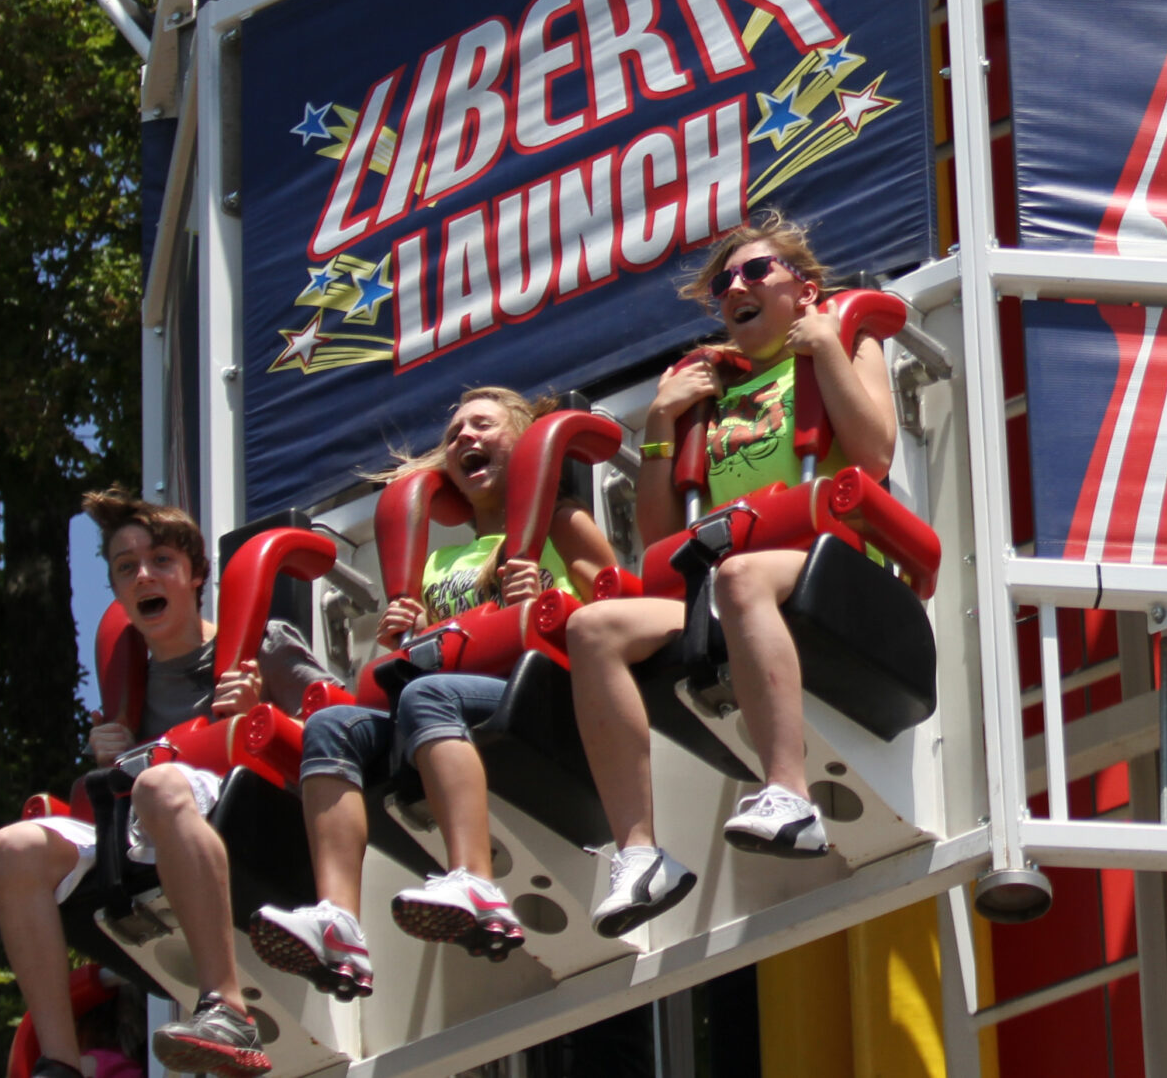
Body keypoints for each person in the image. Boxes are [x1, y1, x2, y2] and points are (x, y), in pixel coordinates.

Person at [560, 213, 896, 935]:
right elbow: (659, 537)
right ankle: (640, 853)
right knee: (592, 627)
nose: (734, 288)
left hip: (825, 564)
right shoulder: (707, 393)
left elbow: (872, 457)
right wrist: (659, 424)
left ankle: (789, 793)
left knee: (741, 575)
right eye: (723, 283)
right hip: (726, 575)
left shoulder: (844, 339)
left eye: (755, 273)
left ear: (803, 290)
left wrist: (829, 349)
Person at [250, 388, 618, 992]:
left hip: (540, 694)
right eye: (453, 436)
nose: (465, 439)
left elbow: (609, 592)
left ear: (525, 444)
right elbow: (404, 668)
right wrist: (396, 640)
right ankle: (338, 917)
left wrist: (543, 589)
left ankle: (473, 878)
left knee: (430, 697)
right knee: (330, 726)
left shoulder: (558, 520)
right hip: (448, 703)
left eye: (483, 425)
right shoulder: (438, 565)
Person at [0, 489, 331, 1077]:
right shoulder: (130, 691)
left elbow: (337, 729)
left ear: (196, 575)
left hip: (257, 822)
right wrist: (103, 763)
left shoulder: (258, 645)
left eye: (161, 562)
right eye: (127, 569)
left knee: (159, 786)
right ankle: (59, 1062)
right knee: (12, 848)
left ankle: (226, 1008)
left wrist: (264, 712)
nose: (144, 576)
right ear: (119, 593)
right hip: (153, 832)